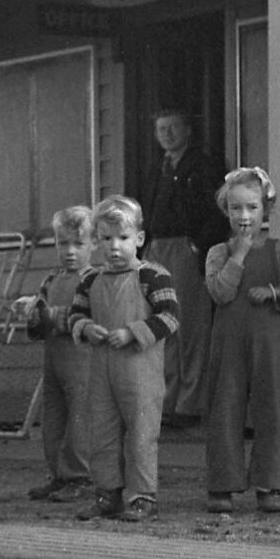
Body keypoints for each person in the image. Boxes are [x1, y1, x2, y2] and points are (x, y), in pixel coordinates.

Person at [201, 166, 280, 513]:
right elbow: (219, 292)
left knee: (274, 411)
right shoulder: (218, 252)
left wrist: (275, 293)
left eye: (252, 207)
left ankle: (271, 484)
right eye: (236, 208)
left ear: (266, 209)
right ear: (226, 211)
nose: (244, 216)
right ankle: (223, 484)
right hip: (228, 346)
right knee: (225, 409)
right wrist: (239, 255)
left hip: (272, 346)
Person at [67, 195, 181, 521]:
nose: (115, 247)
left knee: (141, 434)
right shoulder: (90, 279)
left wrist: (134, 332)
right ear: (97, 240)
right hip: (101, 372)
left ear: (140, 239)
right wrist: (86, 327)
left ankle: (143, 496)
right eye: (106, 239)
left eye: (123, 238)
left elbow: (171, 317)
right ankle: (107, 494)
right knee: (101, 433)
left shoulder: (153, 276)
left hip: (140, 372)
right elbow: (75, 315)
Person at [136, 108, 222, 422]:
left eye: (172, 127)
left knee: (190, 326)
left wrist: (197, 244)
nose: (167, 134)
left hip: (185, 247)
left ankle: (191, 402)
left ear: (187, 130)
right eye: (161, 129)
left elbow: (216, 210)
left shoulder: (201, 166)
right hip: (156, 247)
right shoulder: (157, 168)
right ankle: (168, 400)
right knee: (163, 324)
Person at [13, 203, 96, 503]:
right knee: (54, 419)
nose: (70, 251)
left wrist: (49, 315)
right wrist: (32, 316)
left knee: (80, 420)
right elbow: (40, 325)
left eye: (79, 244)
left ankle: (81, 475)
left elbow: (87, 318)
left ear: (94, 244)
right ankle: (59, 474)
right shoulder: (50, 280)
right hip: (54, 363)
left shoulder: (95, 281)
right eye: (64, 244)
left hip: (83, 364)